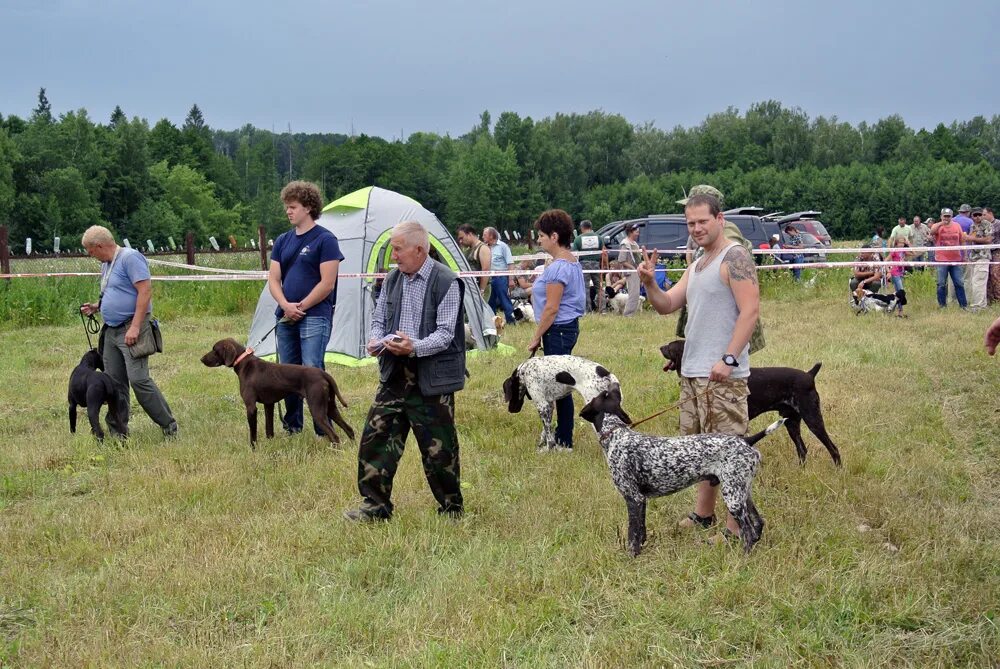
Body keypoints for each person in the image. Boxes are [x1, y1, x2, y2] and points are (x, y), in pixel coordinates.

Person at [637, 193, 759, 542]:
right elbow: (667, 304)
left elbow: (750, 311)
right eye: (690, 223)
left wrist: (729, 358)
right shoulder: (698, 264)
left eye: (702, 221)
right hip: (693, 374)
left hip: (723, 377)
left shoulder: (734, 257)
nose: (696, 228)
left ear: (720, 219)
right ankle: (703, 515)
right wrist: (649, 283)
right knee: (700, 454)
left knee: (728, 454)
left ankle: (736, 529)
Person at [344, 221, 466, 522]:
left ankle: (451, 509)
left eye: (398, 249)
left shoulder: (447, 281)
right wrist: (376, 340)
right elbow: (379, 319)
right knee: (376, 439)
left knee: (439, 451)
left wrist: (413, 347)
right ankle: (375, 506)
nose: (393, 256)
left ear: (419, 250)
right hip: (394, 374)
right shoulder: (392, 279)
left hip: (431, 377)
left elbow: (445, 334)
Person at [80, 225, 177, 438]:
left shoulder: (130, 258)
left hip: (132, 329)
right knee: (114, 385)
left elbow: (145, 291)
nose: (90, 255)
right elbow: (117, 291)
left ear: (99, 245)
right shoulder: (107, 264)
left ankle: (169, 426)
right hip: (112, 331)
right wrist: (98, 306)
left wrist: (134, 326)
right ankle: (118, 433)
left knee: (139, 381)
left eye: (90, 250)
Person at [267, 181, 344, 436]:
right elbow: (273, 279)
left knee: (312, 370)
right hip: (286, 316)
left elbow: (327, 283)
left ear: (309, 207)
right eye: (286, 207)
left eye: (293, 207)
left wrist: (301, 306)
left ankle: (324, 430)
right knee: (285, 373)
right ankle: (292, 427)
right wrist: (285, 305)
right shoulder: (282, 241)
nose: (288, 212)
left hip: (315, 316)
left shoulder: (326, 240)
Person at [527, 209, 586, 450]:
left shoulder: (558, 268)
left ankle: (563, 440)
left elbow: (551, 308)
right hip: (565, 328)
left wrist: (536, 337)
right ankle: (561, 437)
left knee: (560, 387)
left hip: (557, 330)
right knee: (562, 384)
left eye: (541, 235)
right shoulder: (571, 263)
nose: (538, 239)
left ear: (554, 236)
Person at [930, 208, 968, 309]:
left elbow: (962, 240)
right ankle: (942, 306)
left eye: (948, 216)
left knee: (959, 282)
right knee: (941, 283)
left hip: (956, 258)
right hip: (941, 259)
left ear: (952, 217)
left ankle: (963, 306)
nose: (946, 218)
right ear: (941, 216)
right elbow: (931, 232)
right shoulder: (937, 226)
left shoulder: (957, 226)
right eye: (944, 216)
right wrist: (941, 224)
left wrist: (965, 255)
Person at [571, 219, 605, 312]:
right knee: (599, 287)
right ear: (591, 227)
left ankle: (587, 310)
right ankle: (603, 309)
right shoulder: (599, 238)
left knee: (585, 287)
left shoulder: (578, 239)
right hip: (596, 264)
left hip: (584, 264)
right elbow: (603, 252)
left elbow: (575, 254)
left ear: (582, 228)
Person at [484, 227, 515, 324]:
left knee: (504, 300)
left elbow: (510, 263)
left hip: (501, 278)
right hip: (488, 278)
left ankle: (511, 321)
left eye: (484, 235)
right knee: (489, 301)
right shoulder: (484, 247)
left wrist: (510, 280)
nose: (482, 236)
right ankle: (492, 322)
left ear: (491, 236)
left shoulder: (503, 246)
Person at [965, 207, 992, 311]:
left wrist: (972, 238)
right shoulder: (972, 225)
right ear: (972, 216)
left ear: (982, 215)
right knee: (974, 282)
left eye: (979, 215)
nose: (977, 217)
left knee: (978, 282)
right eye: (975, 215)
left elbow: (989, 239)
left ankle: (977, 306)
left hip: (983, 256)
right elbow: (972, 239)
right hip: (974, 257)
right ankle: (981, 305)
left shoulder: (987, 224)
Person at [456, 224, 491, 301]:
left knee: (479, 312)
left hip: (480, 289)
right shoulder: (469, 250)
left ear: (470, 234)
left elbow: (485, 271)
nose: (460, 241)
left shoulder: (483, 248)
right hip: (472, 288)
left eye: (462, 238)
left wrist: (481, 291)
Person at [617, 222, 642, 316]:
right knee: (633, 294)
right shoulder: (625, 244)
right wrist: (633, 268)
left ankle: (631, 313)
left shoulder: (634, 243)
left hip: (636, 271)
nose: (638, 234)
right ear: (631, 232)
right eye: (636, 232)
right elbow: (621, 260)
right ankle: (628, 314)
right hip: (631, 272)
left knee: (636, 293)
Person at [888, 237, 910, 317]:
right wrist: (889, 271)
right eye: (900, 243)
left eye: (903, 243)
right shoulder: (894, 251)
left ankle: (898, 310)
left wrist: (909, 244)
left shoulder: (904, 250)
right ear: (896, 243)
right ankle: (899, 310)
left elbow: (914, 253)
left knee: (898, 293)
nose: (901, 244)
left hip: (901, 272)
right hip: (895, 272)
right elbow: (887, 260)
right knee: (901, 291)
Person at [985, 208, 1000, 304]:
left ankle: (998, 297)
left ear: (990, 213)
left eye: (984, 214)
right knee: (988, 276)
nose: (983, 217)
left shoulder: (998, 223)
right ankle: (990, 299)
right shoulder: (985, 225)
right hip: (987, 252)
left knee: (995, 274)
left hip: (997, 251)